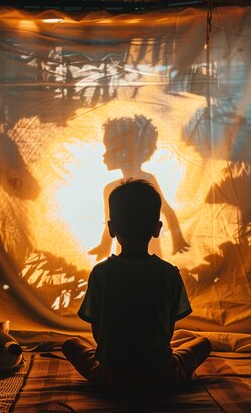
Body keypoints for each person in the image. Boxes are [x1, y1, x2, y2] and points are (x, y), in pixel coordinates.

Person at [63, 179, 211, 394]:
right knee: (203, 342)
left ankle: (106, 373)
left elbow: (98, 333)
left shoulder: (101, 273)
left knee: (71, 344)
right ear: (157, 229)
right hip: (161, 377)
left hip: (111, 378)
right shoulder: (169, 273)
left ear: (112, 229)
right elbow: (168, 329)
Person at [88, 115, 190, 260]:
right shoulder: (110, 188)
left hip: (149, 249)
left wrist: (178, 240)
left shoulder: (147, 180)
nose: (104, 155)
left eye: (111, 149)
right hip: (125, 252)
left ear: (128, 152)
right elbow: (110, 222)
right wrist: (104, 246)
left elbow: (167, 211)